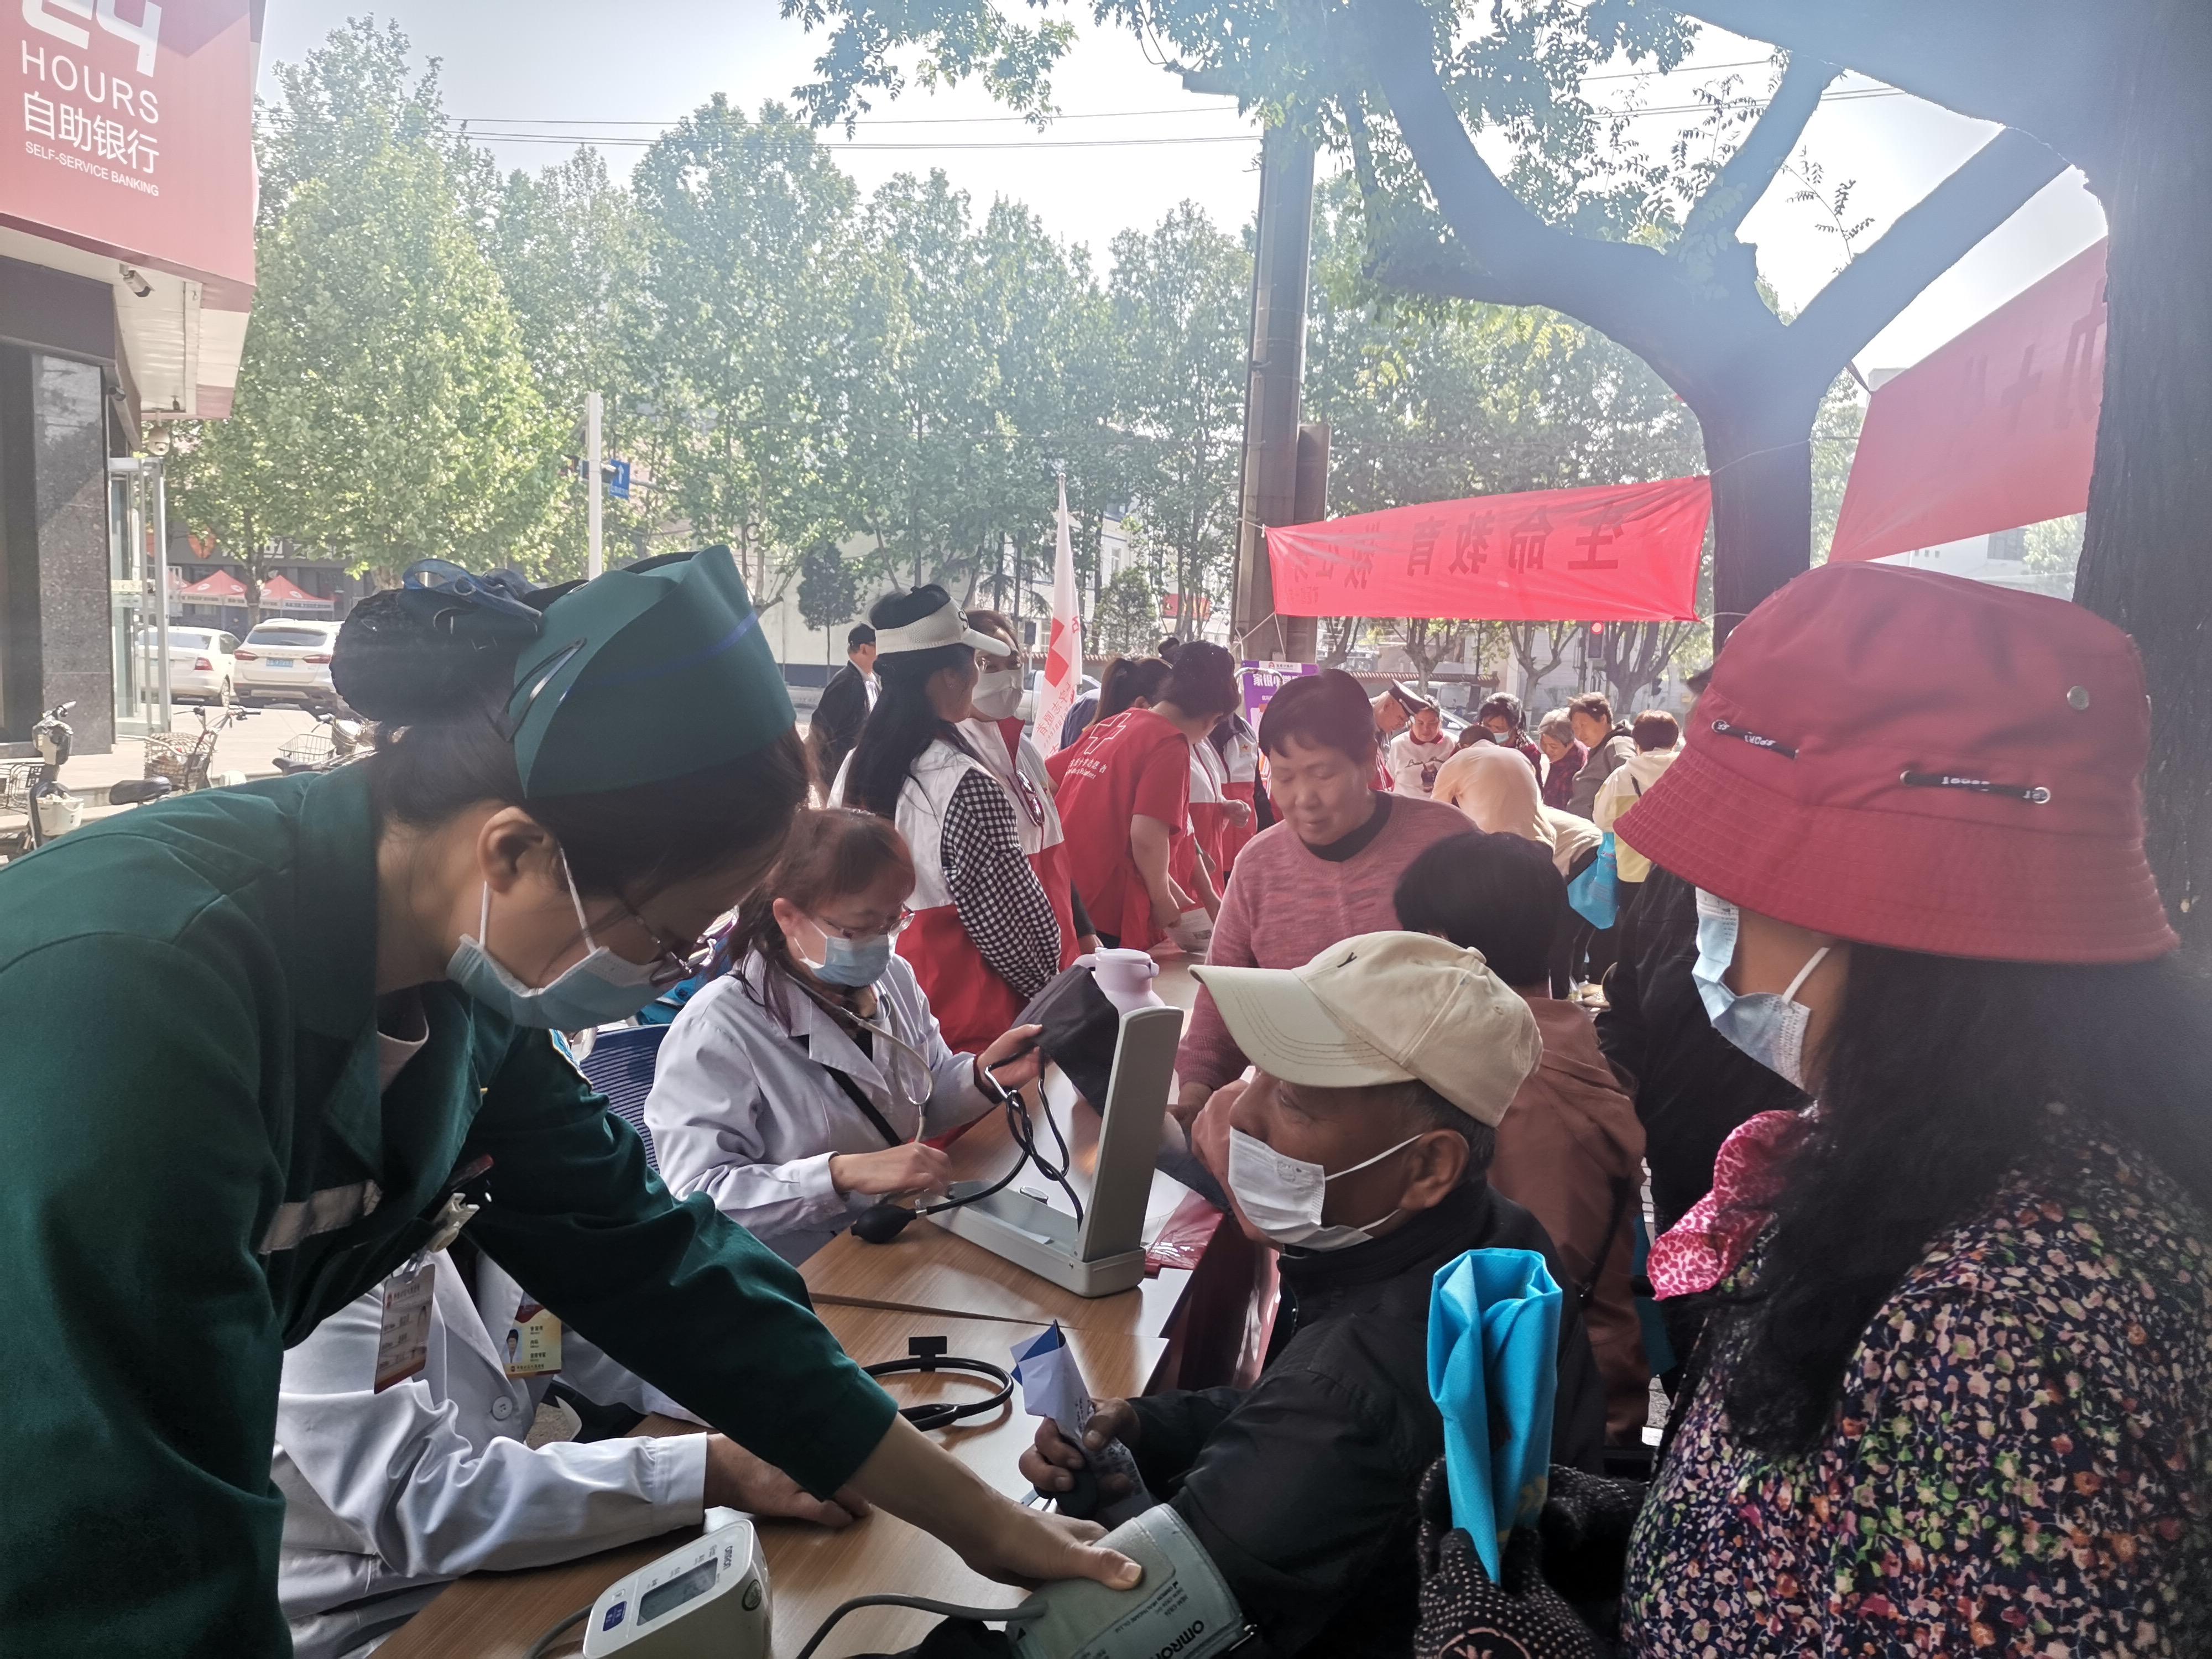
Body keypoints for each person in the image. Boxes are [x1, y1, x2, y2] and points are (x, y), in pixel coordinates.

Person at [0, 549, 1134, 1655]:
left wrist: (986, 1526)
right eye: (663, 937)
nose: (667, 977)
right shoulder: (140, 997)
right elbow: (135, 1536)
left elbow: (657, 1262)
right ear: (513, 855)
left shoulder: (456, 992)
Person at [1440, 563, 2212, 1653]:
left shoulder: (1994, 1327)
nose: (1707, 937)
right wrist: (1633, 1525)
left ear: (1887, 930)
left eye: (1729, 897)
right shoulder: (1943, 1162)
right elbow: (1862, 1536)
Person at [1025, 932, 1606, 1658]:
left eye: (1295, 1101)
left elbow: (1124, 1619)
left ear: (1428, 1166)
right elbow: (1319, 1419)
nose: (1243, 1116)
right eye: (1256, 1075)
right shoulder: (1496, 1238)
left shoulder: (1345, 1395)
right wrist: (1152, 1426)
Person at [274, 1242, 864, 1658]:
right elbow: (421, 1499)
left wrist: (762, 1400)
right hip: (377, 1613)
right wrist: (714, 1469)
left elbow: (608, 1345)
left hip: (514, 1552)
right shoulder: (326, 1261)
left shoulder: (491, 1217)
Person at [648, 809, 1041, 1264]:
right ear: (788, 916)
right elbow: (697, 1198)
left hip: (889, 1236)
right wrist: (838, 1175)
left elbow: (922, 1102)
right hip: (792, 1268)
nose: (880, 942)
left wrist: (982, 1077)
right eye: (857, 929)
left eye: (892, 922)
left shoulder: (893, 977)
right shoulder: (717, 1029)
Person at [1394, 834, 1649, 1446]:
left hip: (1546, 1425)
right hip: (1562, 1395)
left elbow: (1529, 1279)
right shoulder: (1558, 1045)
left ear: (1443, 946)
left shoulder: (1515, 1088)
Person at [1175, 670, 1473, 1125]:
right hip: (1297, 1114)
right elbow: (1220, 1009)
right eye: (1284, 776)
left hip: (1427, 1116)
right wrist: (1194, 1101)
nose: (1303, 799)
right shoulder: (1259, 864)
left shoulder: (1446, 842)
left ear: (1369, 759)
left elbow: (1507, 999)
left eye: (1322, 774)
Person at [1596, 669, 1803, 1241]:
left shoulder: (1855, 896)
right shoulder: (1677, 870)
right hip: (1681, 1170)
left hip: (1805, 1201)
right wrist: (1608, 1098)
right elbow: (1628, 1007)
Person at [840, 586, 1065, 1055]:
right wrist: (1056, 990)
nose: (980, 676)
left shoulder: (855, 766)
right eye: (977, 664)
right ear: (948, 676)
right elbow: (1014, 931)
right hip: (978, 1031)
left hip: (890, 1010)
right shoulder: (965, 782)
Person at [1053, 641, 1244, 954]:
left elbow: (1047, 780)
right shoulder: (1170, 744)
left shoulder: (1117, 723)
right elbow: (1146, 835)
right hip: (1105, 904)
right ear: (1213, 718)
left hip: (1067, 890)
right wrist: (1162, 898)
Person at [961, 609, 1096, 958]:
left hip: (1055, 943)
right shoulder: (943, 760)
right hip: (996, 957)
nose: (1007, 678)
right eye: (988, 665)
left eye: (1013, 664)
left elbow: (1054, 848)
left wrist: (1084, 932)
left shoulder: (1025, 751)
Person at [1592, 709, 1682, 917]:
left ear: (1636, 743)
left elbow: (1602, 820)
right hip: (1678, 875)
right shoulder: (1688, 774)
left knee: (1633, 930)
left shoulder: (1621, 777)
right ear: (1674, 742)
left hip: (1632, 874)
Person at [807, 622, 877, 791]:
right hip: (838, 776)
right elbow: (820, 729)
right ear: (864, 649)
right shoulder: (847, 683)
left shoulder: (871, 682)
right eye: (879, 646)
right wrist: (818, 775)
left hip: (858, 774)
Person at [1563, 692, 1636, 820]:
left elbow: (1632, 781)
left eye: (1583, 725)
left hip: (1600, 829)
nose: (1579, 734)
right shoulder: (1601, 748)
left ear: (1603, 719)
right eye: (1575, 729)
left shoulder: (1617, 745)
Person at [1387, 694, 1457, 797]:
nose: (1426, 729)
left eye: (1432, 723)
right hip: (1406, 805)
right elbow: (1386, 785)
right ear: (1410, 723)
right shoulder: (1397, 746)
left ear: (1440, 722)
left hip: (1441, 805)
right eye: (1420, 723)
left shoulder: (1453, 744)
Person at [1474, 692, 1545, 775]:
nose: (1492, 732)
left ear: (1514, 726)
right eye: (1488, 726)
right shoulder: (1472, 739)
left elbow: (1534, 782)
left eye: (1499, 728)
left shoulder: (1528, 752)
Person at [1536, 709, 1587, 812]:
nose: (1547, 750)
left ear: (1570, 744)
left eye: (1553, 746)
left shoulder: (1572, 770)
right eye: (1543, 743)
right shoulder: (1562, 754)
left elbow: (1566, 811)